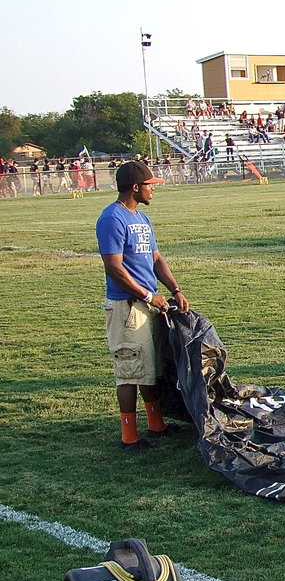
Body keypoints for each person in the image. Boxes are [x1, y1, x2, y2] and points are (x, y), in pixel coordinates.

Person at [95, 161, 190, 451]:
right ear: (135, 187)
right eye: (149, 185)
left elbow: (156, 259)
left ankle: (156, 424)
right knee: (129, 370)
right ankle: (129, 436)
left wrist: (175, 289)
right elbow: (114, 267)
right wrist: (149, 296)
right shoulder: (113, 218)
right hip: (127, 307)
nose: (153, 190)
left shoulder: (141, 218)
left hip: (148, 304)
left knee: (150, 367)